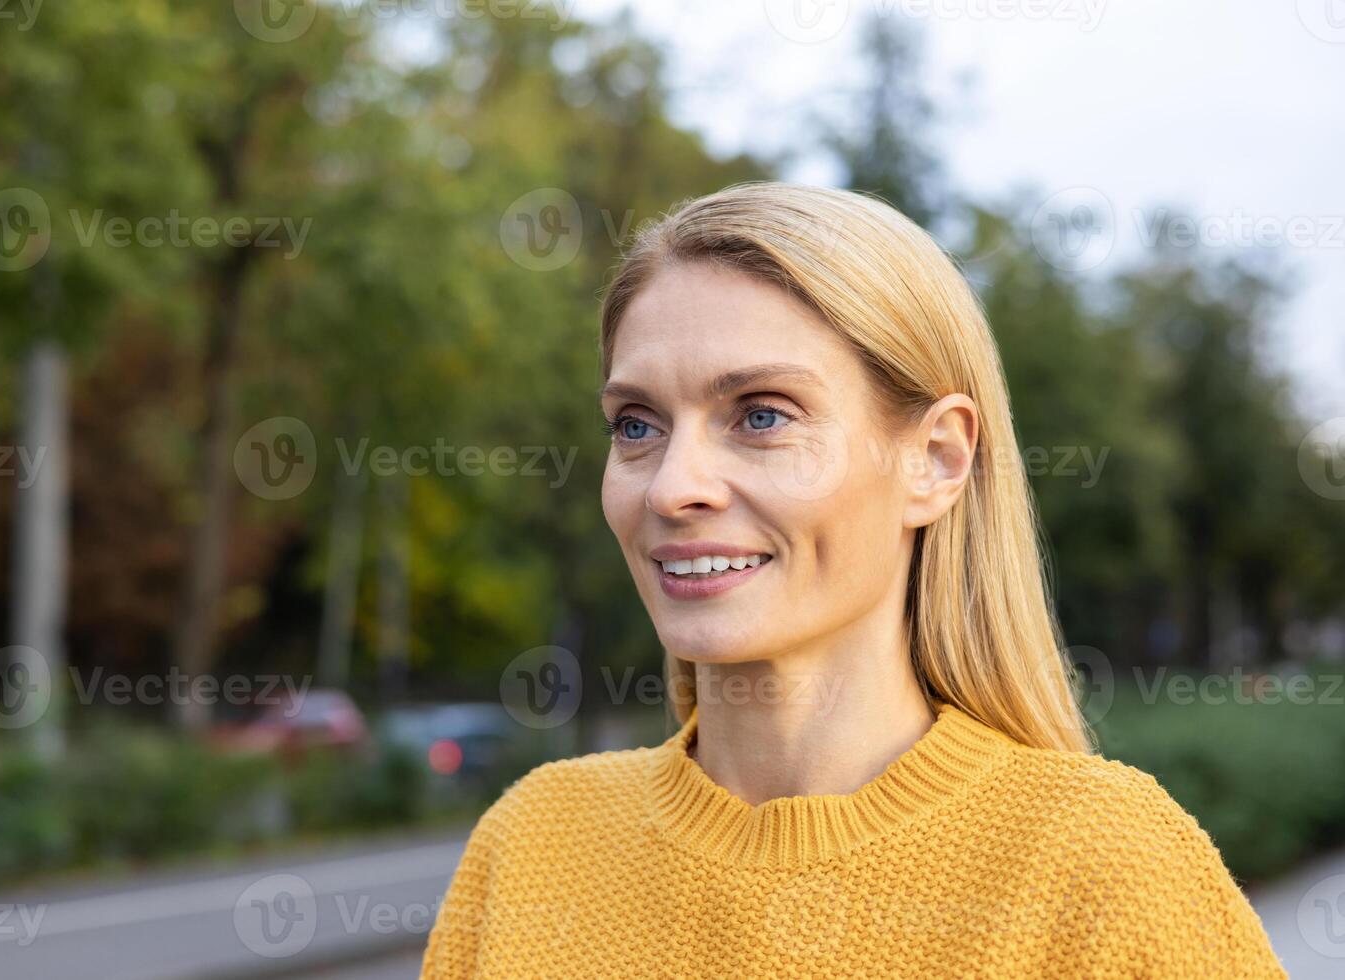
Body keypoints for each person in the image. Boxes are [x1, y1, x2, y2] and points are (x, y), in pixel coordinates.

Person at [420, 182, 1285, 977]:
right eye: (637, 424)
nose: (674, 484)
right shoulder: (532, 848)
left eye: (762, 414)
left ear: (936, 461)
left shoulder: (1105, 869)